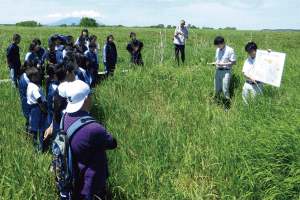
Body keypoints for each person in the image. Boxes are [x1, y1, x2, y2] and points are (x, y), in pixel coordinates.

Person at [64, 80, 117, 200]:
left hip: (74, 174)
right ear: (86, 98)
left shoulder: (65, 117)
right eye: (91, 94)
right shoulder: (92, 127)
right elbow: (113, 143)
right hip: (91, 181)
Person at [209, 36, 236, 112]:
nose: (217, 47)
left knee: (225, 89)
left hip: (226, 71)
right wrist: (214, 63)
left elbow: (234, 62)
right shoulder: (218, 50)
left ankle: (227, 106)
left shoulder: (230, 50)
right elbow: (218, 60)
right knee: (216, 88)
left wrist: (223, 64)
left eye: (218, 45)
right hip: (218, 70)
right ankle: (217, 103)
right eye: (217, 45)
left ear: (223, 43)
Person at [27, 67, 48, 154]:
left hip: (33, 109)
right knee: (40, 130)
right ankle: (40, 150)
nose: (40, 76)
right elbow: (40, 102)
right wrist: (46, 112)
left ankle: (35, 148)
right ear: (33, 77)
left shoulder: (30, 85)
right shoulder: (35, 88)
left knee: (35, 129)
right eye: (38, 75)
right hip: (38, 110)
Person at [19, 59, 38, 132]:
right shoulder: (24, 80)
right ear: (28, 67)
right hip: (28, 105)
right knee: (30, 122)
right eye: (34, 67)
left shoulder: (28, 77)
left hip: (29, 105)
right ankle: (30, 136)